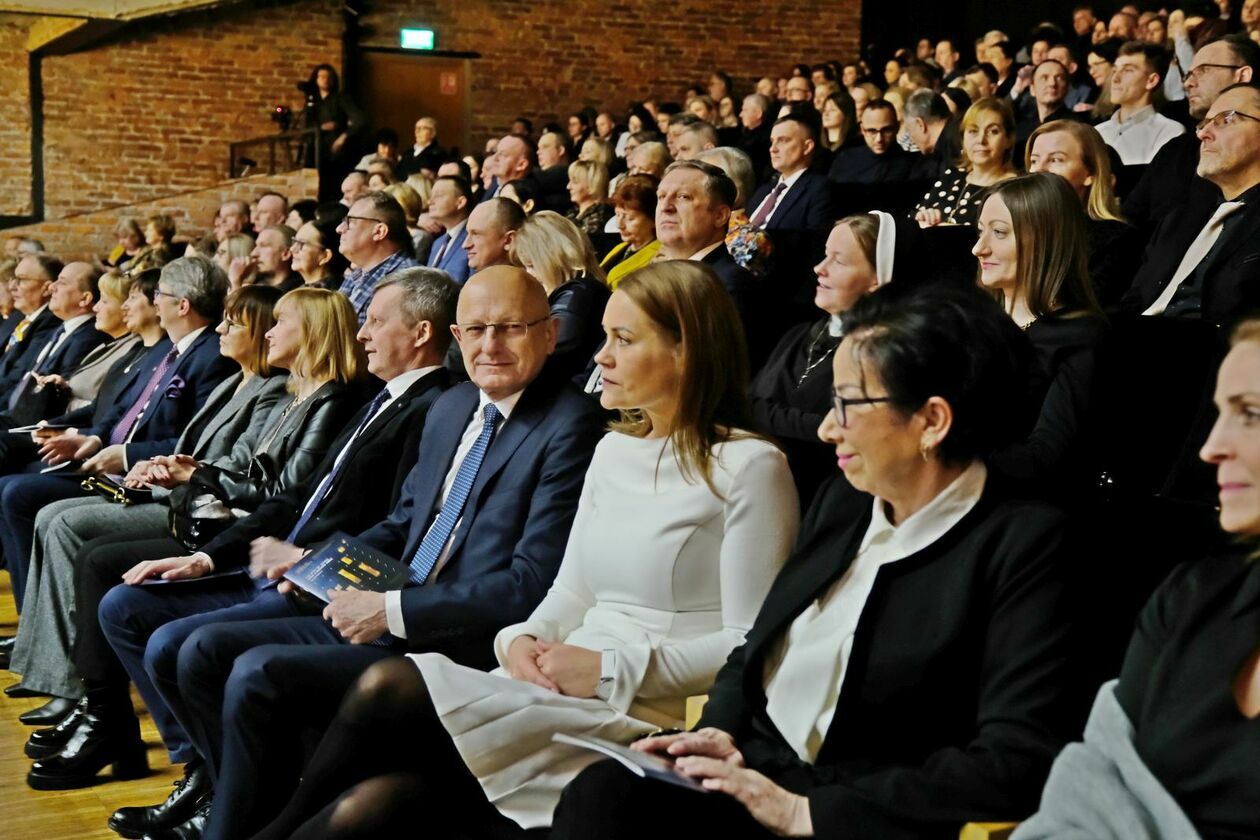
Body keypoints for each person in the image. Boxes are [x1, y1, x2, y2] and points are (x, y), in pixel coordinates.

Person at [245, 259, 801, 839]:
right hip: (552, 682)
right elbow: (571, 590)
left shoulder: (751, 468)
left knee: (391, 688)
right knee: (377, 802)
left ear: (686, 351)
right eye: (605, 337)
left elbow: (749, 644)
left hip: (640, 712)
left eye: (623, 340)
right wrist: (520, 641)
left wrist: (608, 669)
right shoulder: (614, 450)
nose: (600, 357)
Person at [551, 281, 1083, 839]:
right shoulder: (847, 499)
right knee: (602, 790)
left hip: (852, 814)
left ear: (932, 421)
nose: (827, 428)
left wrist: (805, 811)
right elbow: (753, 649)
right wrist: (719, 732)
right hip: (757, 774)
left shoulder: (1028, 545)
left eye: (847, 404)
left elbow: (1015, 763)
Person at [99, 266, 605, 839]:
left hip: (458, 636)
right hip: (388, 605)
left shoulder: (572, 424)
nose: (490, 345)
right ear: (456, 338)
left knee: (256, 671)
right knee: (204, 649)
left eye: (510, 328)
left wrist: (389, 611)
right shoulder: (454, 405)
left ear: (548, 333)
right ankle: (230, 808)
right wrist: (313, 564)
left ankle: (241, 829)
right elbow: (402, 523)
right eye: (477, 330)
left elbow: (528, 582)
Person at [93, 270, 456, 837]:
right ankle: (209, 777)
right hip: (279, 559)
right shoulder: (384, 398)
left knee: (185, 645)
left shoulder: (429, 404)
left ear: (421, 333)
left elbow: (390, 523)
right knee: (127, 607)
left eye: (377, 321)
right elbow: (295, 497)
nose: (363, 334)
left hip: (322, 578)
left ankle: (227, 796)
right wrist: (209, 558)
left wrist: (310, 562)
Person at [11, 287, 288, 781]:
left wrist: (166, 469)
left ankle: (99, 711)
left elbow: (243, 475)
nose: (223, 329)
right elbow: (192, 447)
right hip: (178, 499)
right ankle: (82, 699)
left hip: (208, 516)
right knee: (56, 520)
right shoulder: (235, 383)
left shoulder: (270, 388)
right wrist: (159, 466)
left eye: (235, 324)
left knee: (78, 536)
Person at [1012, 318, 1260, 839]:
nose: (1211, 447)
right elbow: (1083, 792)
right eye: (1219, 415)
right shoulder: (1191, 597)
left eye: (1251, 415)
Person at [0, 257, 236, 622]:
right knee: (15, 491)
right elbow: (122, 413)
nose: (155, 301)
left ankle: (46, 622)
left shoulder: (209, 357)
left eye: (160, 294)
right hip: (109, 463)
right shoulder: (168, 350)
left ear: (182, 305)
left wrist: (122, 454)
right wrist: (91, 442)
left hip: (148, 481)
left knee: (22, 495)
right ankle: (37, 618)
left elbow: (196, 442)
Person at [751, 211, 923, 507]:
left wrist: (763, 414)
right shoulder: (797, 335)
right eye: (824, 255)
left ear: (877, 279)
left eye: (838, 261)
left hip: (824, 499)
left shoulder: (885, 356)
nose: (819, 268)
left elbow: (842, 435)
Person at [973, 173, 1108, 498]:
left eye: (1000, 233)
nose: (979, 248)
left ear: (1045, 239)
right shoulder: (974, 320)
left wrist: (945, 455)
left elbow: (1045, 459)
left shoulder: (1079, 335)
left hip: (1010, 506)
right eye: (981, 231)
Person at [1121, 82, 1260, 324]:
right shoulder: (1176, 223)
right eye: (1204, 124)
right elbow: (1133, 302)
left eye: (1225, 120)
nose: (1204, 134)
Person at [1123, 34, 1259, 235]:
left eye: (1203, 70)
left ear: (1242, 75)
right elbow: (1129, 220)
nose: (1187, 84)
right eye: (1188, 75)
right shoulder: (1174, 149)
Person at [654, 160, 770, 366]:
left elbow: (708, 373)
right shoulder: (653, 275)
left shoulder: (728, 285)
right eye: (661, 197)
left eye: (683, 197)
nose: (665, 207)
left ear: (720, 216)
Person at [1026, 120, 1143, 305]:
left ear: (1091, 174)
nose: (1038, 170)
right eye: (1034, 160)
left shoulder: (1116, 240)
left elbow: (1087, 313)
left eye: (1056, 160)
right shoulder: (1014, 229)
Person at [509, 211, 611, 379]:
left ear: (553, 258)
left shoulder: (579, 293)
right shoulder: (582, 290)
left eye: (531, 265)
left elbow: (546, 358)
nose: (528, 275)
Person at [914, 97, 1018, 227]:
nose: (981, 140)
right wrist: (923, 217)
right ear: (963, 138)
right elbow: (914, 218)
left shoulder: (1015, 190)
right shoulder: (952, 175)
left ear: (1009, 139)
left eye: (993, 131)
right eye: (973, 131)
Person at [1095, 42, 1185, 165]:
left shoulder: (1170, 132)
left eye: (1127, 70)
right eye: (1114, 70)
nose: (1115, 78)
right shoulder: (1097, 133)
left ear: (1151, 81)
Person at [336, 191, 418, 323]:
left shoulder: (404, 280)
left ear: (379, 232)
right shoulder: (359, 272)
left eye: (349, 222)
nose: (339, 229)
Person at [600, 174, 661, 288]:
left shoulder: (659, 257)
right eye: (617, 215)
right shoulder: (619, 248)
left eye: (630, 218)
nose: (620, 225)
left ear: (653, 219)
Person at [424, 175, 474, 284]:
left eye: (438, 195)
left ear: (460, 202)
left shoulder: (473, 239)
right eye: (431, 196)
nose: (430, 202)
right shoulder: (437, 243)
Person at [463, 196, 525, 274]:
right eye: (468, 233)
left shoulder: (527, 284)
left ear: (509, 240)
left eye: (476, 234)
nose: (465, 245)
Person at [290, 216, 347, 290]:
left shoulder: (332, 296)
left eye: (301, 243)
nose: (292, 249)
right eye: (295, 241)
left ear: (325, 256)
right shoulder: (298, 289)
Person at [565, 159, 614, 235]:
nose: (568, 187)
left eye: (575, 182)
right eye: (569, 181)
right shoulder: (572, 213)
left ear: (592, 185)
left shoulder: (599, 218)